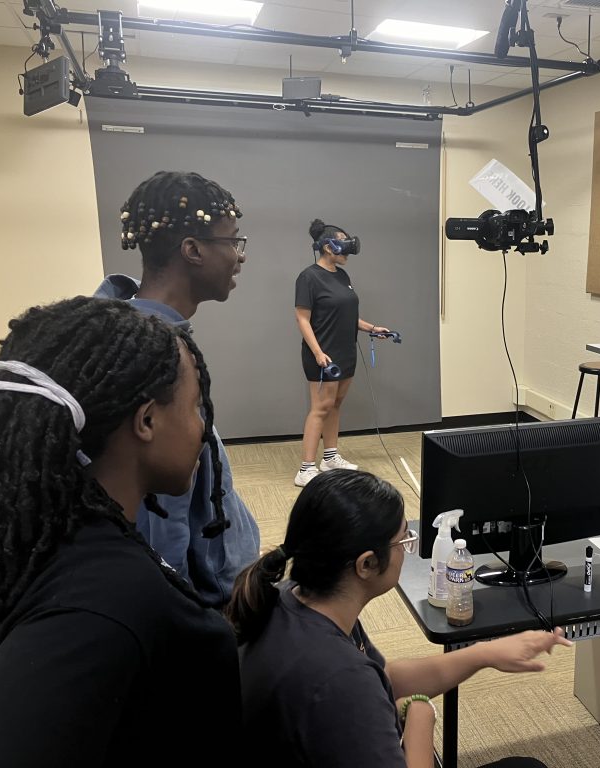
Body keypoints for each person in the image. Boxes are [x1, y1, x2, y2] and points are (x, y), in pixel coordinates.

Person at [0, 297, 242, 766]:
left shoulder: (29, 538)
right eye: (196, 407)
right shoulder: (110, 606)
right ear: (146, 421)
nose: (203, 427)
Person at [228, 470, 568, 768]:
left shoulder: (296, 596)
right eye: (403, 539)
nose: (407, 547)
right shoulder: (339, 680)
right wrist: (421, 718)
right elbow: (364, 686)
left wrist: (483, 654)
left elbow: (383, 676)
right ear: (366, 564)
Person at [95, 170, 260, 607]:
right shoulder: (148, 356)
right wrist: (184, 614)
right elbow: (159, 517)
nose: (240, 257)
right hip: (193, 603)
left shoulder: (135, 331)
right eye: (233, 242)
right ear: (192, 250)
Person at [293, 219, 390, 486]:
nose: (347, 252)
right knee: (320, 408)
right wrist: (317, 352)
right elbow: (302, 319)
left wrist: (372, 328)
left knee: (335, 405)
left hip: (346, 351)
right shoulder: (309, 277)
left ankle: (330, 458)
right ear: (327, 247)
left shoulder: (342, 276)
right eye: (343, 245)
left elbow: (348, 315)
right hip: (323, 354)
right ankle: (305, 469)